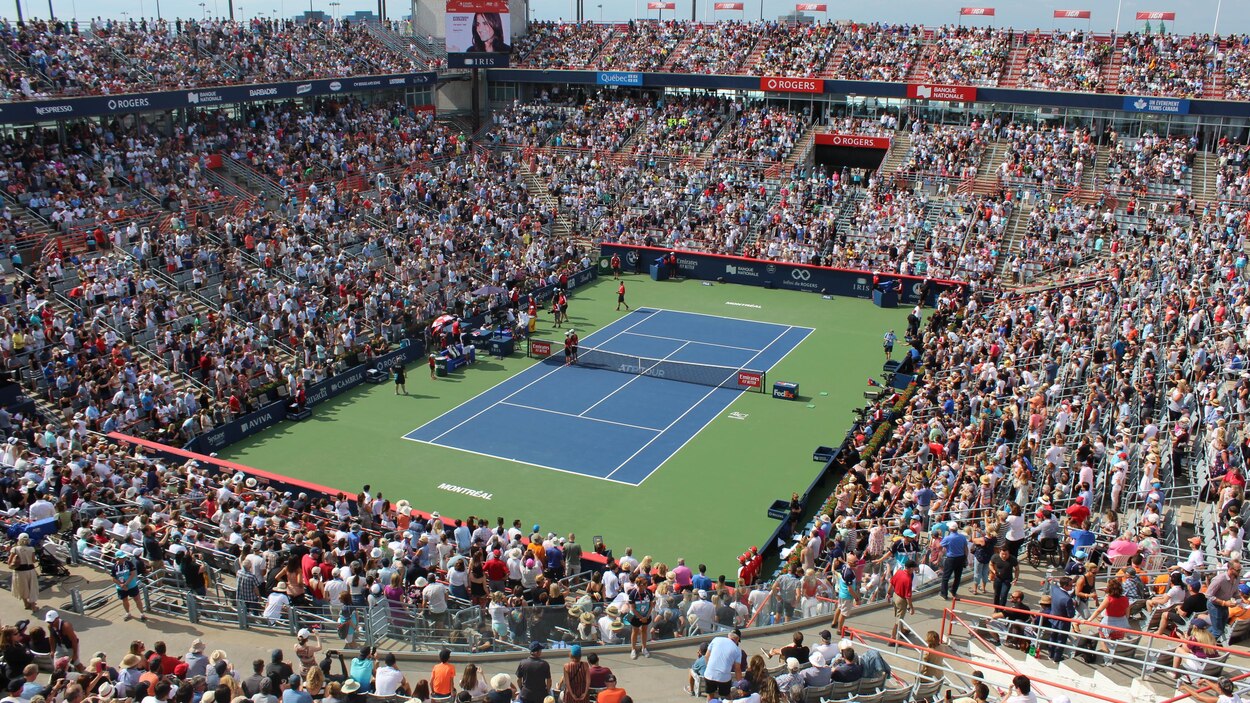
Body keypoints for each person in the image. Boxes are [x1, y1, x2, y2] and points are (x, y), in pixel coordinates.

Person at [703, 629, 742, 701]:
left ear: (728, 635)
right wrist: (740, 684)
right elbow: (737, 669)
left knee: (710, 695)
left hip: (709, 674)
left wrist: (710, 669)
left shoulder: (716, 640)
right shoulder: (737, 650)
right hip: (724, 678)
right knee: (727, 695)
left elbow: (706, 656)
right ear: (737, 639)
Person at [110, 550, 147, 622]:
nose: (124, 559)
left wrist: (126, 584)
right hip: (121, 588)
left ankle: (142, 613)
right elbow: (113, 578)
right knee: (124, 600)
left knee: (137, 599)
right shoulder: (114, 567)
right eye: (122, 558)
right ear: (117, 558)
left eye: (124, 557)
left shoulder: (128, 563)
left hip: (132, 585)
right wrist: (121, 585)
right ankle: (128, 613)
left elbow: (132, 574)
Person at [8, 533, 38, 610]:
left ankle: (26, 604)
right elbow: (33, 561)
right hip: (30, 570)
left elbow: (9, 561)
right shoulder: (31, 549)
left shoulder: (14, 549)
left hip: (19, 571)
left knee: (22, 587)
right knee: (32, 587)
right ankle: (33, 606)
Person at [627, 575, 653, 659]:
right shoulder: (633, 594)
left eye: (646, 583)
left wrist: (647, 616)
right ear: (639, 585)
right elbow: (632, 608)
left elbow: (651, 605)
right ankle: (633, 649)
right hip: (635, 616)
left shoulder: (649, 592)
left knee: (644, 631)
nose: (646, 585)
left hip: (646, 615)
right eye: (644, 583)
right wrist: (641, 617)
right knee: (635, 631)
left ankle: (644, 648)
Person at [890, 560, 917, 640]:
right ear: (911, 568)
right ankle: (892, 638)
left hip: (895, 596)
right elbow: (908, 597)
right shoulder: (908, 579)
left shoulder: (899, 572)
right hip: (901, 600)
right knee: (898, 620)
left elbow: (891, 583)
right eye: (914, 568)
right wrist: (911, 607)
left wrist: (888, 593)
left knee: (898, 616)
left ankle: (902, 630)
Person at [941, 522, 968, 601]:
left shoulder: (947, 538)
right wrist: (965, 558)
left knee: (946, 577)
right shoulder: (962, 537)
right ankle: (953, 590)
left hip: (951, 559)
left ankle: (944, 593)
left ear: (950, 529)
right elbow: (966, 548)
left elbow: (940, 546)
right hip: (960, 558)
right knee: (957, 576)